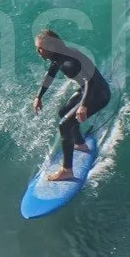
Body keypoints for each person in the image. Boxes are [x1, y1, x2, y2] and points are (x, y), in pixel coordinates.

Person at [30, 29, 111, 177]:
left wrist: (83, 105)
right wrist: (38, 97)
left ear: (51, 46)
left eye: (40, 48)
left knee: (64, 125)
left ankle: (67, 171)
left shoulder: (69, 61)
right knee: (63, 113)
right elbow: (50, 74)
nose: (38, 51)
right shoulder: (58, 56)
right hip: (88, 90)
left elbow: (90, 81)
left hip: (99, 95)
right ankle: (80, 144)